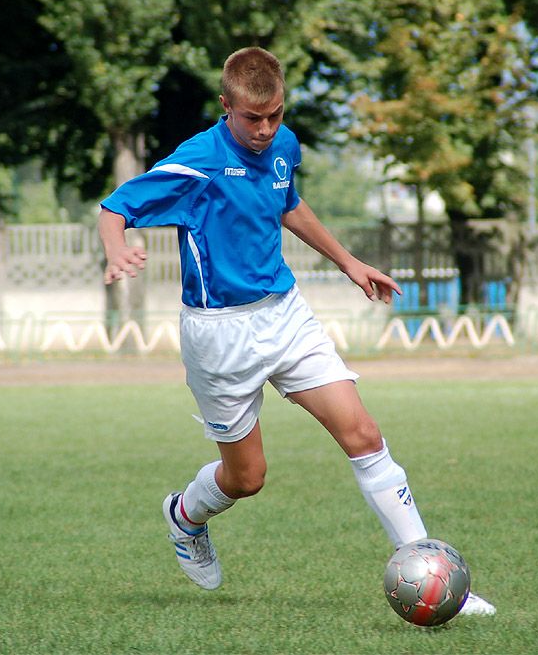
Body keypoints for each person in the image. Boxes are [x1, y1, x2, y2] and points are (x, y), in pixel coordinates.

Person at [98, 47, 494, 616]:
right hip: (219, 335)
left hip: (285, 315)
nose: (265, 130)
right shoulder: (197, 163)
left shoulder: (283, 144)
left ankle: (434, 578)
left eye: (275, 115)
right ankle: (185, 515)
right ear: (226, 106)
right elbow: (116, 208)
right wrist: (117, 251)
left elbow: (288, 204)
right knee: (248, 477)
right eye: (252, 118)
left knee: (362, 433)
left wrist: (349, 262)